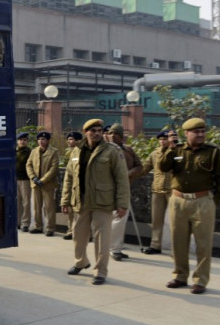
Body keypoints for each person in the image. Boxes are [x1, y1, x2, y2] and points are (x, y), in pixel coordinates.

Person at [159, 118, 220, 294]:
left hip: (202, 202)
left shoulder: (212, 152)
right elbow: (163, 166)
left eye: (202, 131)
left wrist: (213, 202)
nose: (200, 134)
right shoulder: (177, 149)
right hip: (178, 201)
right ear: (187, 134)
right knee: (178, 242)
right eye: (196, 132)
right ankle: (180, 276)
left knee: (203, 243)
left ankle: (200, 280)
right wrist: (170, 147)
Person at [61, 119, 130, 285]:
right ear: (86, 133)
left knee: (102, 239)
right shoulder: (76, 152)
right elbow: (69, 178)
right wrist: (65, 200)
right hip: (81, 200)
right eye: (93, 131)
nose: (97, 133)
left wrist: (122, 203)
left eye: (99, 130)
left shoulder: (111, 151)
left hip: (103, 201)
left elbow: (121, 178)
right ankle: (81, 262)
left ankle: (100, 271)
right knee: (78, 235)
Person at [107, 123, 143, 261]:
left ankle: (116, 247)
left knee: (120, 219)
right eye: (110, 133)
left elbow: (139, 166)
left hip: (125, 188)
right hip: (110, 189)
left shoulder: (128, 150)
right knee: (114, 218)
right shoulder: (104, 150)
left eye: (116, 134)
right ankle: (112, 248)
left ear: (121, 137)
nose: (112, 136)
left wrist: (129, 173)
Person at [139, 130, 173, 254]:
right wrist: (130, 173)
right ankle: (155, 245)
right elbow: (144, 168)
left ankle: (177, 247)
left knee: (176, 220)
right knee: (156, 219)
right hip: (157, 190)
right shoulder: (155, 154)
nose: (163, 141)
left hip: (173, 191)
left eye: (165, 139)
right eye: (161, 139)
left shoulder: (177, 153)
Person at [26, 131, 60, 236]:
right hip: (35, 184)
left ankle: (50, 228)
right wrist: (33, 177)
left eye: (43, 139)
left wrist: (43, 180)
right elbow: (29, 165)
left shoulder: (53, 152)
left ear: (48, 140)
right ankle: (37, 226)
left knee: (49, 207)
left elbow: (54, 168)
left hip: (48, 184)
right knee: (36, 207)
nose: (41, 141)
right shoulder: (34, 151)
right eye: (39, 139)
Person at [63, 131, 83, 240]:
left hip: (83, 188)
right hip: (73, 187)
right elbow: (68, 175)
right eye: (69, 139)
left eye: (72, 139)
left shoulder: (85, 151)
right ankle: (70, 230)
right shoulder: (72, 153)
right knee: (70, 210)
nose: (69, 142)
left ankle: (85, 233)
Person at [16, 132, 32, 232]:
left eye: (25, 140)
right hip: (15, 179)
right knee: (17, 202)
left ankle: (25, 223)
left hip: (25, 179)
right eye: (21, 140)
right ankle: (17, 222)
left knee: (26, 202)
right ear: (17, 141)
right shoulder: (13, 151)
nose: (22, 142)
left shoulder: (30, 152)